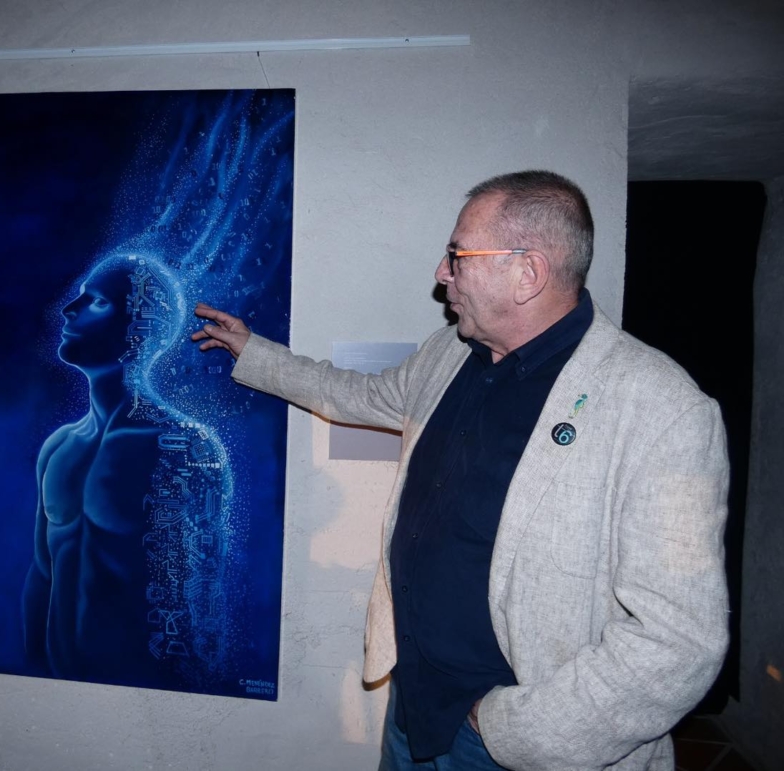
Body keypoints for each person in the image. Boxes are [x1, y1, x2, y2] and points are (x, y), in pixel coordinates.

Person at [191, 171, 729, 771]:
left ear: (528, 273)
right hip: (416, 703)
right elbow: (356, 394)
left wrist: (510, 727)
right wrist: (254, 352)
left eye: (458, 255)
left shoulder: (661, 409)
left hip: (517, 742)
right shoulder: (449, 353)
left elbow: (679, 641)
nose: (441, 274)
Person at [23, 253, 230, 687]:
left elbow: (198, 599)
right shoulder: (59, 447)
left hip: (146, 695)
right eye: (80, 297)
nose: (69, 310)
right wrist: (32, 678)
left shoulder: (184, 448)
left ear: (140, 328)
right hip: (61, 690)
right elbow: (43, 574)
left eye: (97, 301)